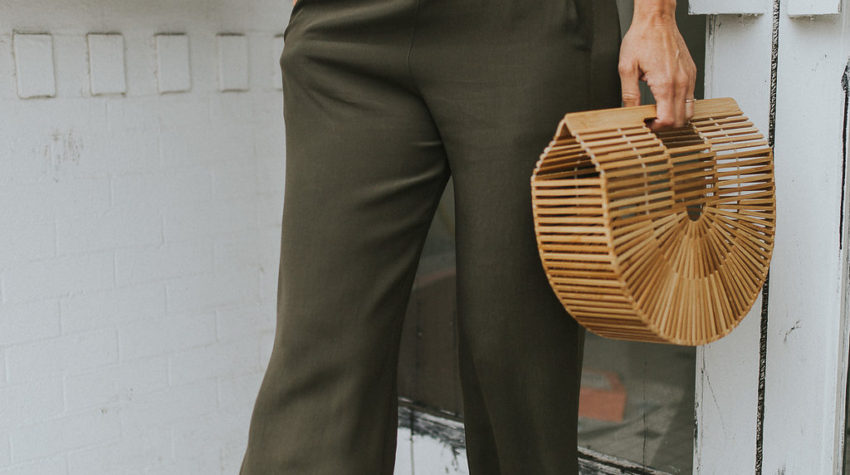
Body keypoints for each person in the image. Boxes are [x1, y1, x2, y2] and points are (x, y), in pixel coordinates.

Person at [239, 0, 696, 473]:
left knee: (517, 364)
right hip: (349, 31)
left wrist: (655, 15)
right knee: (317, 363)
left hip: (528, 29)